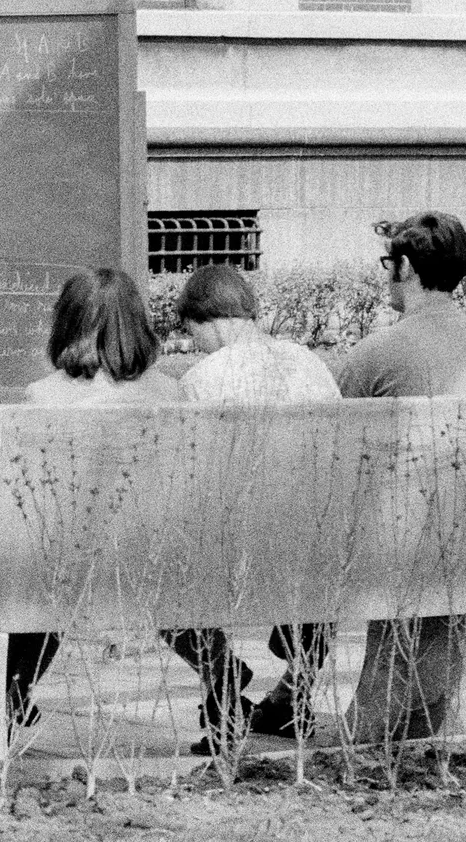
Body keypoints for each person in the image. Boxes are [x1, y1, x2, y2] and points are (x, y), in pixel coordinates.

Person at [164, 264, 340, 754]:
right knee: (317, 554)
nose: (193, 342)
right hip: (314, 544)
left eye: (190, 331)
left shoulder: (202, 378)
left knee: (156, 574)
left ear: (208, 321)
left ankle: (219, 673)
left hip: (231, 547)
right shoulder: (311, 363)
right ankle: (291, 694)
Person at [9, 267, 177, 740]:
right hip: (150, 548)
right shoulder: (168, 392)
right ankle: (223, 676)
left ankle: (12, 688)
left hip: (68, 556)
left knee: (37, 580)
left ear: (67, 323)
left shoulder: (43, 397)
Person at [337, 212, 466, 742]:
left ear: (404, 267)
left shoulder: (377, 354)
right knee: (441, 674)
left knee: (389, 675)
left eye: (388, 264)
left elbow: (336, 455)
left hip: (404, 540)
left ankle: (364, 757)